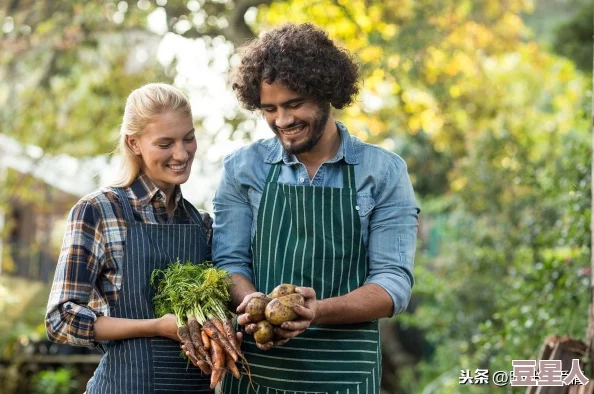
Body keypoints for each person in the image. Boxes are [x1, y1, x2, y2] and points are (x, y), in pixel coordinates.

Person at [211, 23, 420, 394]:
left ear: (327, 93)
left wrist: (317, 310)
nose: (283, 121)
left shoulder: (383, 173)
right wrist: (255, 305)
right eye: (270, 109)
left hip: (344, 374)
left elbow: (392, 284)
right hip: (257, 371)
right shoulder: (242, 169)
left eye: (294, 104)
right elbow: (230, 262)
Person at [45, 83, 216, 393]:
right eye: (165, 143)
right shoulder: (98, 211)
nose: (181, 153)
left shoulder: (201, 223)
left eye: (188, 138)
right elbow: (60, 319)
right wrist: (157, 326)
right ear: (134, 143)